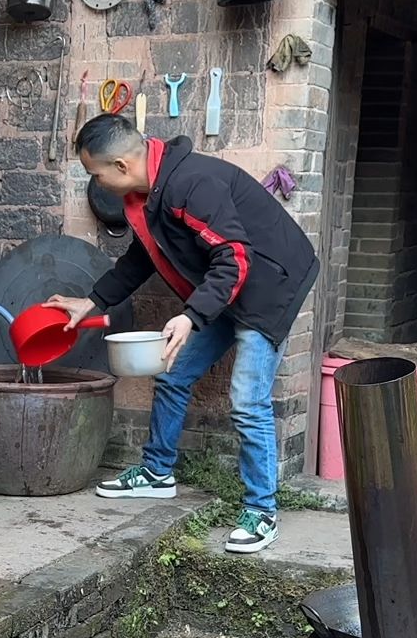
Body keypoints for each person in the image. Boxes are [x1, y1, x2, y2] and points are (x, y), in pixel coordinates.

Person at [47, 114, 319, 554]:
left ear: (120, 166)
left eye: (94, 173)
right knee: (172, 374)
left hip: (270, 285)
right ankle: (157, 473)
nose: (96, 184)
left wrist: (191, 316)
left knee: (249, 401)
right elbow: (143, 258)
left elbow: (233, 257)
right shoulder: (148, 192)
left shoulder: (192, 184)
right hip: (226, 287)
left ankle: (262, 510)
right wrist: (92, 301)